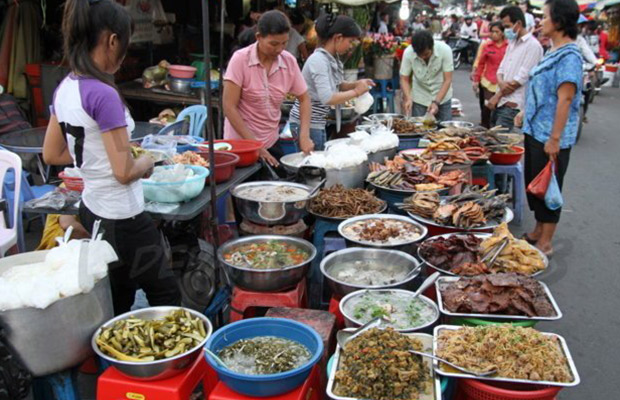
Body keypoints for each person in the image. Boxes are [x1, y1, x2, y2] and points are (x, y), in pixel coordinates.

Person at [42, 0, 181, 314]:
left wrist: (94, 159)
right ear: (112, 40)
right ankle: (163, 363)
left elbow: (53, 153)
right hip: (125, 217)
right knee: (167, 296)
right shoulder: (103, 94)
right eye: (126, 42)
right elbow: (123, 171)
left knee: (117, 297)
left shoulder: (66, 87)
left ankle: (111, 360)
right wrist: (146, 162)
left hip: (93, 210)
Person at [515, 0, 582, 257]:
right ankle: (538, 229)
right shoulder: (552, 51)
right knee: (536, 183)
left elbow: (565, 99)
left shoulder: (570, 57)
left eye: (544, 17)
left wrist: (555, 139)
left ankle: (546, 242)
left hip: (551, 136)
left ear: (559, 21)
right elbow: (541, 91)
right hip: (535, 130)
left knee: (550, 186)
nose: (540, 21)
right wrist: (525, 112)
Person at [223, 11, 312, 167]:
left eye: (284, 43)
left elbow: (304, 98)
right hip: (240, 145)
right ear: (258, 37)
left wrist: (304, 135)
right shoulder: (240, 59)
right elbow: (229, 107)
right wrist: (256, 146)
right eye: (273, 44)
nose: (279, 49)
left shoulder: (289, 62)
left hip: (271, 140)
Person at [288, 15, 373, 151]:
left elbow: (338, 84)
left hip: (316, 122)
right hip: (307, 124)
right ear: (338, 38)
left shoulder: (330, 58)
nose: (351, 46)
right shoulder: (319, 60)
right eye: (350, 41)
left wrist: (356, 84)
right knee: (313, 168)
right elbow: (327, 97)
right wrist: (356, 92)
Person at [487, 6, 543, 130]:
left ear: (518, 23)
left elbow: (520, 80)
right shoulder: (512, 43)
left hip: (513, 105)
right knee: (493, 144)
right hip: (500, 102)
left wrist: (497, 95)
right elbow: (500, 70)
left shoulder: (533, 46)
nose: (506, 30)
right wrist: (501, 84)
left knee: (502, 145)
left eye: (507, 26)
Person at [400, 30, 454, 122]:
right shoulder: (408, 53)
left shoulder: (445, 50)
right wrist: (408, 98)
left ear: (432, 46)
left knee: (445, 131)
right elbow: (404, 79)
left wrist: (436, 102)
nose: (422, 57)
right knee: (420, 130)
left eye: (426, 54)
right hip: (420, 98)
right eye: (419, 55)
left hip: (442, 97)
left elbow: (447, 80)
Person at [472, 21, 508, 128]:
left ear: (502, 33)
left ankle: (495, 129)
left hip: (502, 82)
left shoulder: (509, 46)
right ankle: (485, 129)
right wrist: (476, 80)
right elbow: (481, 64)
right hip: (487, 81)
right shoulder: (487, 46)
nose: (493, 34)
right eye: (491, 32)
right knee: (487, 107)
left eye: (496, 32)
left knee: (499, 109)